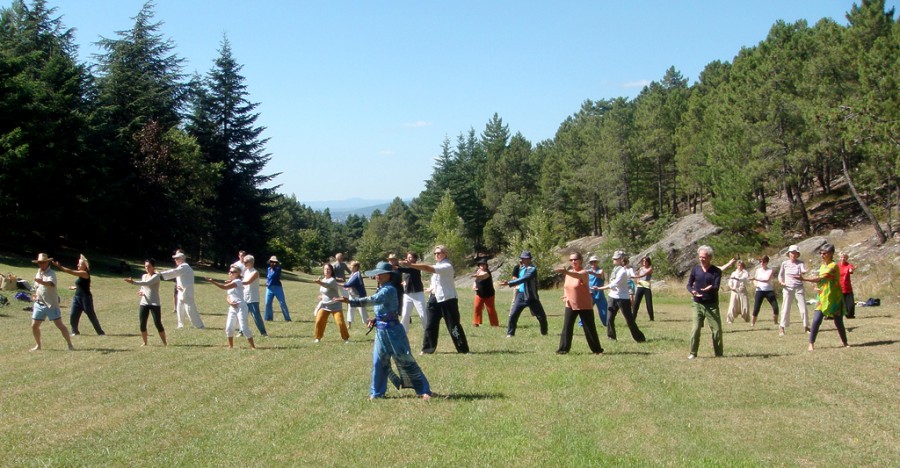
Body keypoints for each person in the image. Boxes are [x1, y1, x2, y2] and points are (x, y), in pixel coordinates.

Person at [337, 261, 431, 400]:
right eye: (377, 274)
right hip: (381, 332)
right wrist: (375, 319)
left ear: (389, 275)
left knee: (405, 359)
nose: (378, 276)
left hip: (393, 332)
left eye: (382, 274)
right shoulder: (381, 288)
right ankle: (377, 393)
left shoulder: (389, 289)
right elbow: (384, 309)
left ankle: (424, 390)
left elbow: (374, 300)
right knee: (379, 361)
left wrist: (351, 301)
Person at [401, 245, 469, 354]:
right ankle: (427, 349)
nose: (436, 255)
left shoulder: (447, 266)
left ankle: (463, 350)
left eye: (439, 253)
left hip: (448, 299)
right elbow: (437, 281)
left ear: (445, 254)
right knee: (430, 324)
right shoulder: (438, 264)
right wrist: (431, 288)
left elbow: (429, 268)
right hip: (434, 298)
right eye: (435, 253)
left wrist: (411, 265)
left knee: (454, 326)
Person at [797, 243, 849, 351]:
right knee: (816, 320)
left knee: (838, 321)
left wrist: (804, 279)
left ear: (831, 254)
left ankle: (845, 342)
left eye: (824, 253)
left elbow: (821, 278)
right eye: (820, 253)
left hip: (834, 297)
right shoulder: (822, 266)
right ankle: (811, 343)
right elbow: (822, 282)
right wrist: (817, 287)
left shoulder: (833, 266)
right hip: (822, 296)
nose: (822, 255)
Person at [555, 252, 604, 355]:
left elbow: (577, 276)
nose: (573, 261)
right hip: (570, 304)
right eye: (571, 260)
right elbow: (566, 286)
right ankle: (563, 349)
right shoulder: (568, 274)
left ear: (581, 260)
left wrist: (566, 272)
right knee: (567, 327)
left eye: (575, 259)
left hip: (584, 304)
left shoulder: (584, 272)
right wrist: (565, 295)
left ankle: (597, 350)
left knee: (589, 328)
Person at [29, 253, 75, 351]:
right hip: (39, 303)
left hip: (51, 305)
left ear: (47, 263)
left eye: (43, 262)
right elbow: (37, 286)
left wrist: (41, 281)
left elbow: (50, 284)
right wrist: (35, 294)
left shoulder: (51, 273)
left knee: (60, 325)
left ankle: (70, 344)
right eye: (40, 263)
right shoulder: (38, 272)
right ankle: (38, 345)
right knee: (34, 326)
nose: (41, 264)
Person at [597, 251, 645, 342]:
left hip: (623, 298)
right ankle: (611, 337)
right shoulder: (615, 269)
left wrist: (600, 288)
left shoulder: (624, 271)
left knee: (629, 319)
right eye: (613, 258)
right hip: (612, 296)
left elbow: (615, 283)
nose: (613, 260)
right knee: (609, 318)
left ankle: (639, 338)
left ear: (621, 260)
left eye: (615, 259)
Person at [53, 254, 105, 336]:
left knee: (91, 315)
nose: (77, 265)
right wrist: (75, 287)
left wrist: (60, 267)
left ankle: (100, 332)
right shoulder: (81, 275)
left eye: (79, 264)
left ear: (85, 266)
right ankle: (75, 331)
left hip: (85, 298)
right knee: (73, 315)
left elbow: (71, 272)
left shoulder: (85, 273)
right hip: (77, 297)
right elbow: (83, 284)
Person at [686, 245, 723, 359]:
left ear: (710, 258)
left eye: (704, 257)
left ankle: (719, 354)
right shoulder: (695, 269)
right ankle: (693, 353)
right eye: (700, 257)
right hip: (698, 304)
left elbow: (716, 286)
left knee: (716, 330)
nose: (701, 259)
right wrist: (693, 291)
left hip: (712, 305)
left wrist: (710, 288)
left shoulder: (716, 271)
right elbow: (688, 284)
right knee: (695, 329)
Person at [206, 267, 256, 349]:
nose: (229, 273)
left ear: (237, 273)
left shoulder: (238, 281)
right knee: (229, 327)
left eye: (232, 272)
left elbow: (224, 287)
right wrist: (230, 302)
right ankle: (230, 346)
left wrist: (212, 281)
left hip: (241, 307)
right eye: (229, 272)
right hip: (232, 308)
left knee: (244, 327)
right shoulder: (232, 282)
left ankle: (252, 346)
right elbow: (228, 295)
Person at [502, 251, 549, 337]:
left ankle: (544, 333)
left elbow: (524, 278)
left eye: (525, 258)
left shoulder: (532, 269)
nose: (523, 260)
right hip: (521, 295)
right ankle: (510, 333)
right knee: (513, 314)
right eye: (522, 258)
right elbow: (519, 278)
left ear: (529, 259)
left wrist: (510, 283)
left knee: (541, 316)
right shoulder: (522, 268)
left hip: (531, 296)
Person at [124, 259, 167, 346]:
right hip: (144, 303)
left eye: (149, 266)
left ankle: (165, 343)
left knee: (157, 323)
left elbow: (147, 283)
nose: (147, 268)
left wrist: (133, 282)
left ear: (153, 267)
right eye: (146, 266)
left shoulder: (156, 276)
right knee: (142, 324)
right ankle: (145, 342)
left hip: (154, 303)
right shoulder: (144, 276)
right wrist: (141, 291)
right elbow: (143, 286)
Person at [159, 251, 205, 329]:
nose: (175, 260)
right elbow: (178, 276)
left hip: (186, 292)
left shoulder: (184, 266)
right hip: (181, 292)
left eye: (177, 258)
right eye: (175, 259)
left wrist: (160, 274)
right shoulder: (182, 267)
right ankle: (180, 325)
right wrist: (178, 286)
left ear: (182, 259)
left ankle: (199, 325)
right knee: (179, 309)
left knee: (190, 310)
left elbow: (174, 272)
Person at [313, 263, 349, 343]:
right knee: (319, 321)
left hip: (335, 305)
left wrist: (319, 283)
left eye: (328, 269)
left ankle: (346, 338)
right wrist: (321, 296)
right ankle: (317, 338)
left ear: (332, 270)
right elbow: (325, 291)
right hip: (325, 305)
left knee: (340, 322)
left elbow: (327, 285)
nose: (327, 271)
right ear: (323, 271)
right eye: (325, 269)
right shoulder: (323, 279)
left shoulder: (332, 280)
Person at [777, 245, 809, 335]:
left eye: (795, 253)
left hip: (799, 288)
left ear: (797, 254)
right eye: (792, 253)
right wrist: (781, 282)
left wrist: (804, 271)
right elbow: (780, 275)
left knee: (803, 308)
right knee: (785, 308)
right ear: (789, 254)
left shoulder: (800, 263)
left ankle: (806, 327)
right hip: (788, 288)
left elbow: (802, 270)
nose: (793, 255)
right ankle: (782, 328)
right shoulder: (785, 263)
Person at [396, 251, 426, 333]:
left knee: (423, 315)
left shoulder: (415, 267)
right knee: (405, 314)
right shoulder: (407, 269)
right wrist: (405, 282)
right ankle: (403, 332)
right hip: (407, 294)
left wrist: (397, 267)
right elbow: (407, 276)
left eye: (410, 257)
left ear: (415, 259)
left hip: (417, 293)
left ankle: (428, 331)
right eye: (407, 257)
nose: (408, 259)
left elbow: (406, 269)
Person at [241, 255, 267, 337]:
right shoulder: (246, 271)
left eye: (246, 262)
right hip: (245, 296)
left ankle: (263, 332)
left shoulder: (255, 272)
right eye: (244, 262)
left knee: (256, 315)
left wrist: (235, 282)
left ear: (251, 262)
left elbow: (248, 282)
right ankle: (241, 331)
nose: (244, 263)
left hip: (253, 297)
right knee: (243, 315)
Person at [750, 255, 779, 327]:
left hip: (768, 290)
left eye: (763, 261)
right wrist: (755, 284)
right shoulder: (758, 270)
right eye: (761, 261)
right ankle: (752, 323)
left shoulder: (770, 270)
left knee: (775, 307)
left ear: (767, 262)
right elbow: (754, 280)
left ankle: (775, 322)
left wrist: (756, 279)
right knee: (756, 307)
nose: (762, 263)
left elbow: (766, 280)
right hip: (759, 290)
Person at [471, 257, 499, 327]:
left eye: (484, 265)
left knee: (490, 309)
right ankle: (476, 322)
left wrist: (475, 276)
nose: (482, 266)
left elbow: (482, 277)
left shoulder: (487, 272)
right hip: (479, 294)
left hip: (489, 294)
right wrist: (474, 286)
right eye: (481, 265)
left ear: (486, 266)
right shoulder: (478, 271)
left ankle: (495, 324)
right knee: (477, 307)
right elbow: (476, 281)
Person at [341, 261, 369, 328]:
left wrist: (338, 284)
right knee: (350, 309)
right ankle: (349, 325)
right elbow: (351, 284)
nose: (350, 267)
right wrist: (349, 288)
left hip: (358, 296)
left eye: (352, 266)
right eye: (350, 265)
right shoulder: (353, 274)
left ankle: (368, 324)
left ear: (356, 267)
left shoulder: (357, 275)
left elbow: (349, 284)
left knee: (362, 311)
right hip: (352, 295)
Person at [264, 256, 291, 322]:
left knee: (282, 303)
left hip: (277, 287)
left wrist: (277, 265)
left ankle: (287, 318)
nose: (272, 263)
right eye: (271, 262)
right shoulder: (268, 269)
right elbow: (269, 278)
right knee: (267, 303)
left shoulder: (278, 269)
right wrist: (267, 282)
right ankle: (268, 318)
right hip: (269, 288)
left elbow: (274, 275)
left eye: (274, 262)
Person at [586, 255, 609, 326]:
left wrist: (591, 272)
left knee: (603, 310)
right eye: (591, 262)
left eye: (594, 262)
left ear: (597, 262)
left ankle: (606, 323)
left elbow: (599, 275)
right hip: (590, 293)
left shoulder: (600, 270)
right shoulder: (588, 271)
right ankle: (582, 324)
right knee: (586, 309)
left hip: (599, 293)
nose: (593, 264)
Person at [726, 260, 750, 324]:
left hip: (742, 290)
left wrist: (739, 278)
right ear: (737, 266)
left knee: (745, 306)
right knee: (732, 306)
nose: (740, 266)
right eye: (738, 265)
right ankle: (730, 319)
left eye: (741, 265)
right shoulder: (733, 273)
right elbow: (730, 282)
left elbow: (746, 279)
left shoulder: (745, 273)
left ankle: (746, 318)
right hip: (734, 290)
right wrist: (731, 287)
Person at [631, 256, 654, 321]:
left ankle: (651, 318)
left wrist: (634, 277)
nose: (644, 262)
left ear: (648, 262)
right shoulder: (641, 268)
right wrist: (637, 280)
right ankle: (633, 317)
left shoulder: (650, 268)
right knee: (636, 302)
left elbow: (644, 275)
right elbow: (638, 274)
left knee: (648, 302)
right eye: (643, 261)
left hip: (646, 286)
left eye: (645, 261)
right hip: (640, 286)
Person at [838, 252, 856, 319]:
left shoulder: (849, 265)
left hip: (847, 287)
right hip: (839, 286)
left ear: (846, 258)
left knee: (850, 303)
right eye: (842, 257)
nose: (843, 259)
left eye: (844, 257)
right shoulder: (837, 266)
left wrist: (852, 269)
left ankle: (850, 315)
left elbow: (850, 270)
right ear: (839, 258)